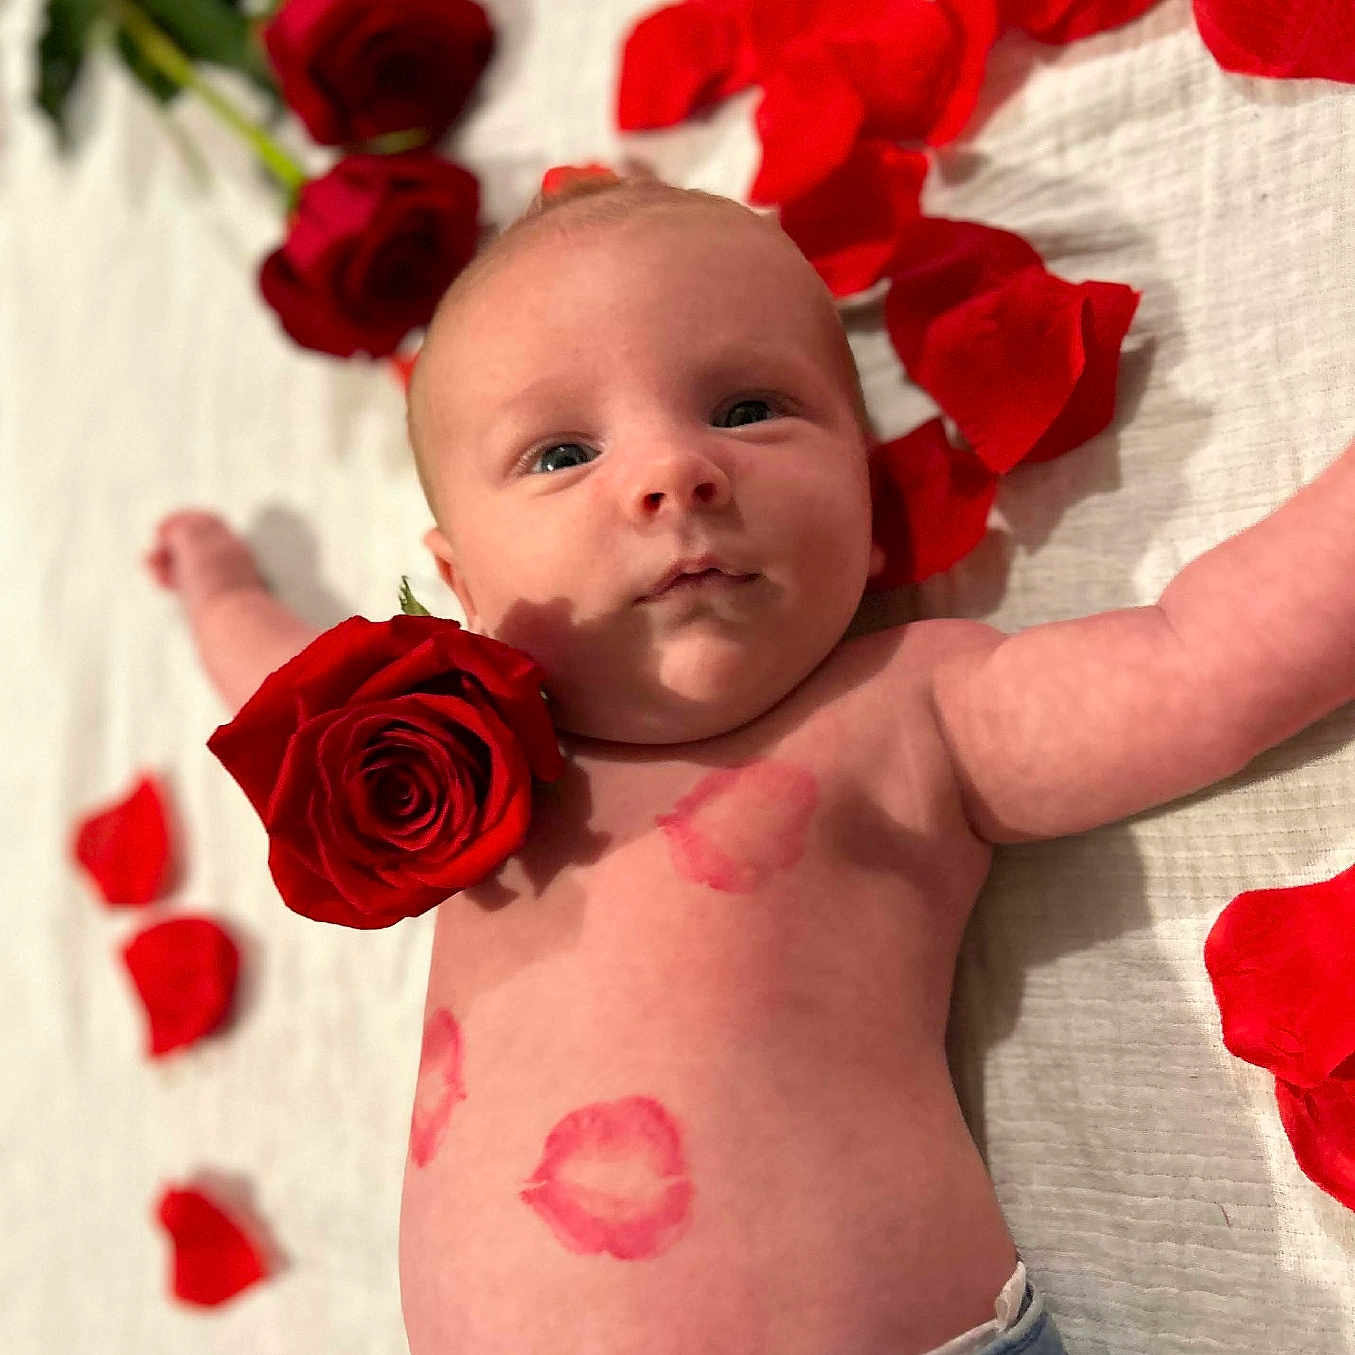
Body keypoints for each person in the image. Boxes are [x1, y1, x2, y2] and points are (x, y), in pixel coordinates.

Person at [147, 173, 1355, 1355]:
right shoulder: (455, 744)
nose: (673, 474)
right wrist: (220, 586)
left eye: (744, 410)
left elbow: (1198, 660)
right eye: (563, 451)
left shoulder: (904, 714)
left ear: (870, 509)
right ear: (457, 586)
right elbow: (274, 683)